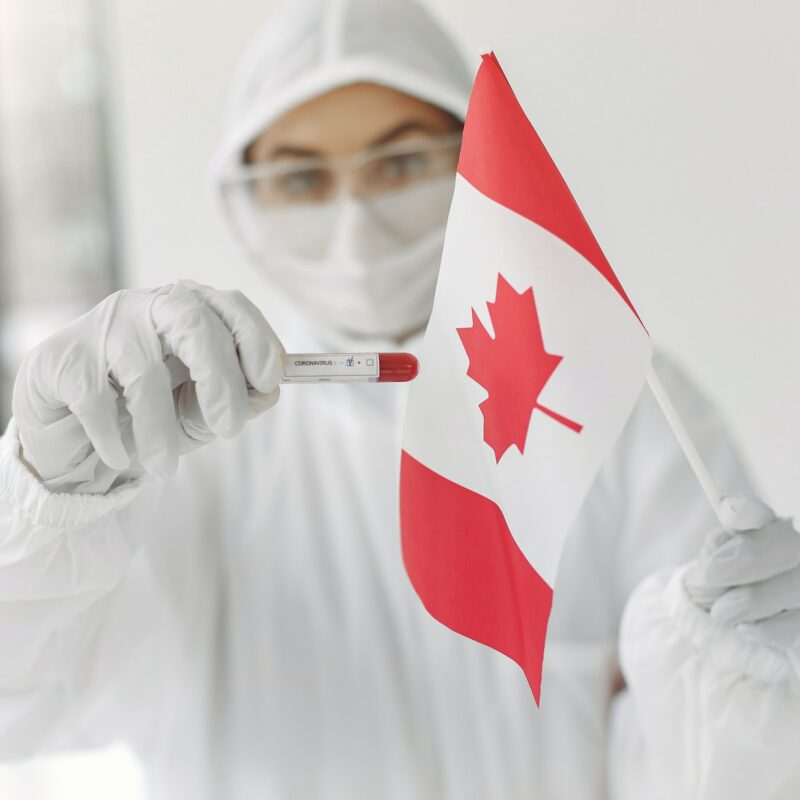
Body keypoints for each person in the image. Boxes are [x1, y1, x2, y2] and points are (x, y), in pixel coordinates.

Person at [1, 0, 799, 797]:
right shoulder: (183, 437)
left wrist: (743, 681)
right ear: (244, 200)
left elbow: (710, 763)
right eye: (302, 177)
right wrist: (50, 501)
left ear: (468, 154)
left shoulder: (613, 402)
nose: (357, 220)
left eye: (402, 162)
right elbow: (21, 708)